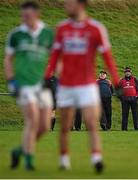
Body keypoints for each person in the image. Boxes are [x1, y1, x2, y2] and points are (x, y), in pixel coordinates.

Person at [44, 0, 121, 173]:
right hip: (66, 86)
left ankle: (96, 159)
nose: (65, 6)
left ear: (80, 4)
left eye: (69, 3)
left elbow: (107, 56)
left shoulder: (95, 28)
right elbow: (54, 56)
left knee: (92, 123)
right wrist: (46, 77)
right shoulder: (61, 28)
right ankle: (64, 159)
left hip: (87, 86)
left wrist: (116, 80)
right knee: (65, 126)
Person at [4, 1, 54, 170]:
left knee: (45, 126)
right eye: (22, 16)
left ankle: (19, 151)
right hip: (23, 84)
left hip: (42, 84)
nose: (24, 18)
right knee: (32, 120)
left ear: (36, 15)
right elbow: (8, 60)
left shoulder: (47, 33)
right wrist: (11, 81)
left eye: (27, 15)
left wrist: (52, 77)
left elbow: (56, 58)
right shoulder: (16, 34)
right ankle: (29, 162)